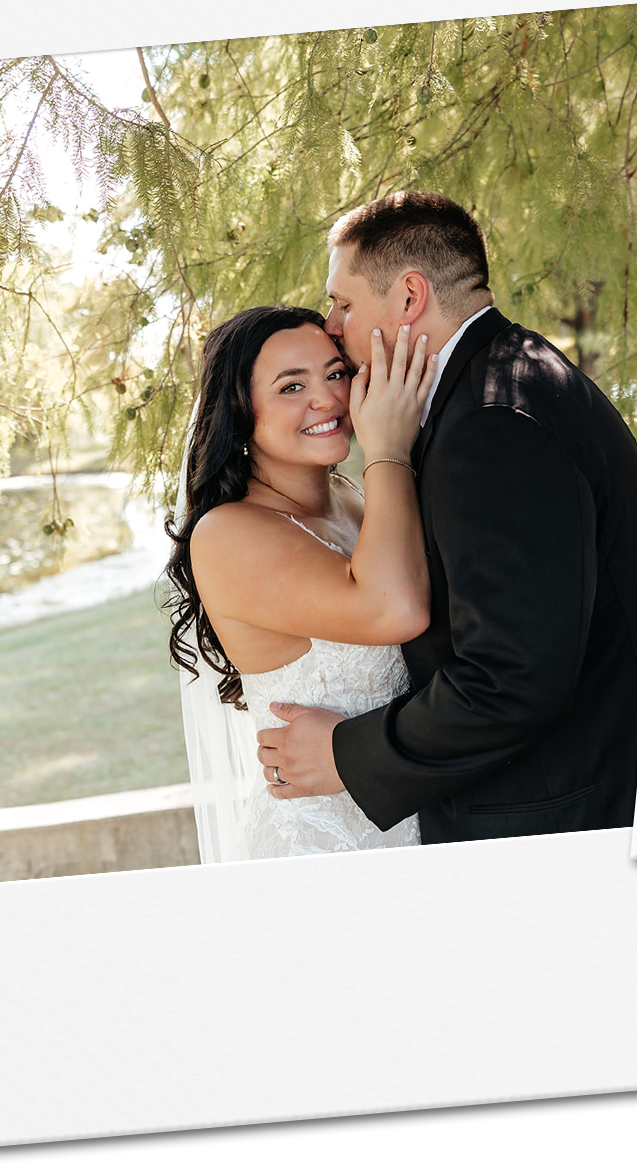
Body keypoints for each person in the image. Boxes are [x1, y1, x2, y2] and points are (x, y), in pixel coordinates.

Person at [255, 191, 637, 843]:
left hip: (550, 823)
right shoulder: (515, 376)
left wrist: (346, 755)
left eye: (345, 303)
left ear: (410, 297)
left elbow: (511, 678)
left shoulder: (490, 427)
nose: (331, 324)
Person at [165, 304, 438, 857]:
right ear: (241, 415)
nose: (328, 399)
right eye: (292, 387)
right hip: (327, 841)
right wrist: (388, 448)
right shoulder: (227, 533)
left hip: (415, 811)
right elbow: (395, 611)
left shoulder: (356, 501)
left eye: (336, 373)